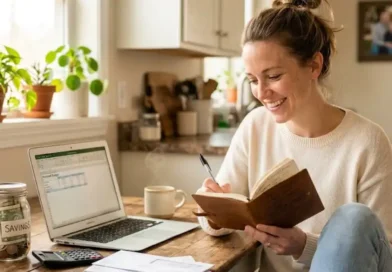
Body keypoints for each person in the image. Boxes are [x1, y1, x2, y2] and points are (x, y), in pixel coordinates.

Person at [196, 0, 392, 271]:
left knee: (354, 219)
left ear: (314, 66)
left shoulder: (367, 141)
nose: (261, 93)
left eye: (273, 76)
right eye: (253, 80)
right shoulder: (255, 126)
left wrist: (304, 246)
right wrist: (215, 212)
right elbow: (217, 214)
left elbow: (382, 251)